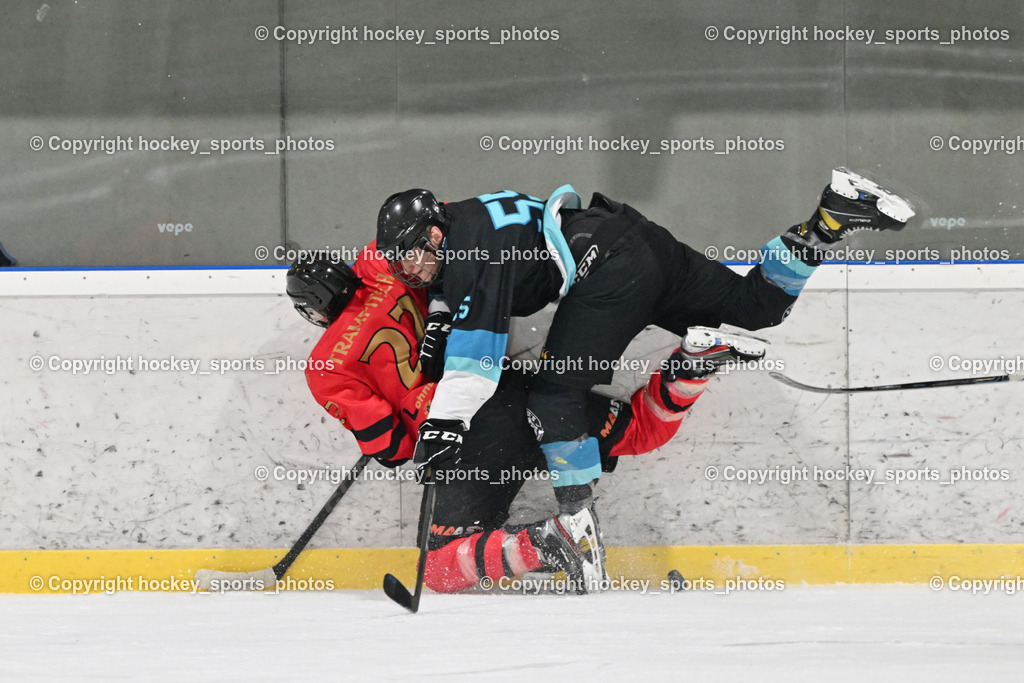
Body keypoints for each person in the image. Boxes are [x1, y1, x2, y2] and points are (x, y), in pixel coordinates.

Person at [375, 168, 915, 519]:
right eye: (397, 262)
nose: (407, 270)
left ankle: (577, 527)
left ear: (437, 235)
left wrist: (443, 426)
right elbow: (463, 277)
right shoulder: (461, 221)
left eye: (411, 256)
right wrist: (443, 311)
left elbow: (476, 369)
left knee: (553, 399)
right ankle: (828, 221)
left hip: (606, 271)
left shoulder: (473, 257)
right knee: (756, 306)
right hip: (635, 239)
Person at [287, 243, 764, 592]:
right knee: (641, 429)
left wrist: (390, 427)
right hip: (516, 392)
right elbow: (448, 247)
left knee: (438, 570)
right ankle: (692, 363)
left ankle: (551, 542)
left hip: (465, 442)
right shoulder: (379, 260)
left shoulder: (326, 368)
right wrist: (438, 312)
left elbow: (392, 451)